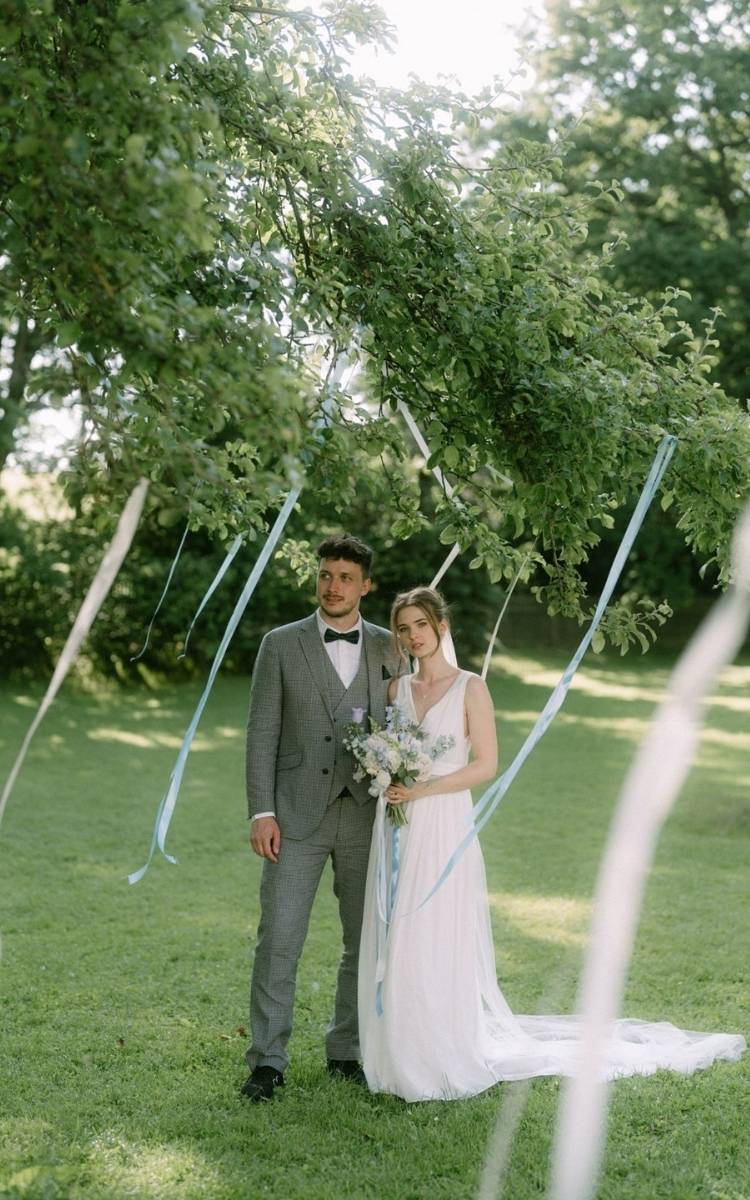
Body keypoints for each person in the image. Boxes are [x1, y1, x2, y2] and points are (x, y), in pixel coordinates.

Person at [358, 586, 746, 1102]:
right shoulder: (395, 692)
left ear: (441, 626)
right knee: (397, 930)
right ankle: (397, 1049)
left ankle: (438, 1051)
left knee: (434, 929)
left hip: (443, 821)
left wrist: (422, 788)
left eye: (420, 625)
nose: (412, 636)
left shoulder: (470, 688)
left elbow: (486, 765)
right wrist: (388, 774)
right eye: (403, 629)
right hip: (397, 822)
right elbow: (385, 747)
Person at [241, 535, 404, 1102]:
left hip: (367, 817)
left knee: (364, 942)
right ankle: (268, 1061)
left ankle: (347, 1050)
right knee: (279, 939)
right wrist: (262, 811)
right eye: (326, 575)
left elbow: (408, 725)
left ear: (366, 586)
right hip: (294, 818)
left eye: (345, 578)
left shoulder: (390, 647)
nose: (333, 587)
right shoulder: (280, 644)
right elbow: (261, 733)